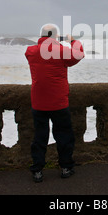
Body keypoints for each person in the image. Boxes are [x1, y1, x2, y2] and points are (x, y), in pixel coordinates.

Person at [25, 24, 85, 182]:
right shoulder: (61, 51)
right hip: (58, 102)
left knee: (40, 137)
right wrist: (72, 41)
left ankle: (37, 170)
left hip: (38, 101)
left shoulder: (30, 51)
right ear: (54, 36)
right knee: (64, 135)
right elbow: (78, 55)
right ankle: (66, 167)